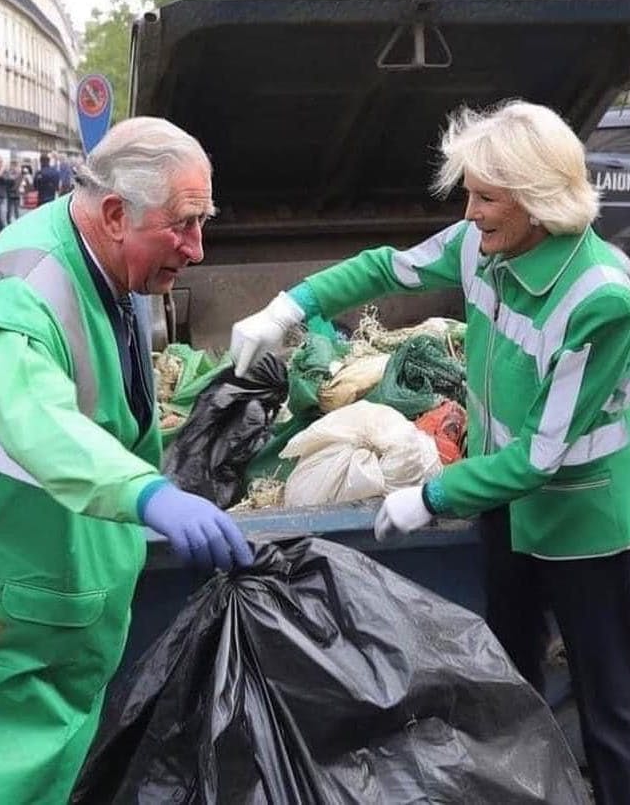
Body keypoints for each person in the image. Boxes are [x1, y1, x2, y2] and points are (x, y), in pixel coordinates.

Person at [230, 99, 630, 805]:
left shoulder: (600, 297)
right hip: (503, 500)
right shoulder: (485, 243)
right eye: (468, 193)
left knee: (610, 705)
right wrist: (289, 305)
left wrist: (429, 496)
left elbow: (542, 453)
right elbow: (389, 267)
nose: (468, 211)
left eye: (484, 196)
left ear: (538, 198)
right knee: (510, 669)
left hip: (582, 524)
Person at [0, 116, 253, 803]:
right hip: (27, 623)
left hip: (70, 608)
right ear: (115, 213)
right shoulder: (24, 286)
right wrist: (151, 495)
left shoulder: (110, 265)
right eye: (185, 224)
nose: (197, 249)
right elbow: (39, 422)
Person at [5, 159, 22, 223]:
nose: (13, 167)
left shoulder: (19, 174)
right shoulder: (8, 174)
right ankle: (8, 223)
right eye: (12, 165)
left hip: (16, 195)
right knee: (9, 211)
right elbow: (6, 182)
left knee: (16, 211)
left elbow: (17, 184)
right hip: (9, 195)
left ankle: (18, 224)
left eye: (14, 165)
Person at [0, 156, 7, 230]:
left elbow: (6, 179)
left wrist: (3, 169)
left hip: (2, 197)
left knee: (2, 219)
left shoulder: (5, 172)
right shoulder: (3, 171)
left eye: (0, 162)